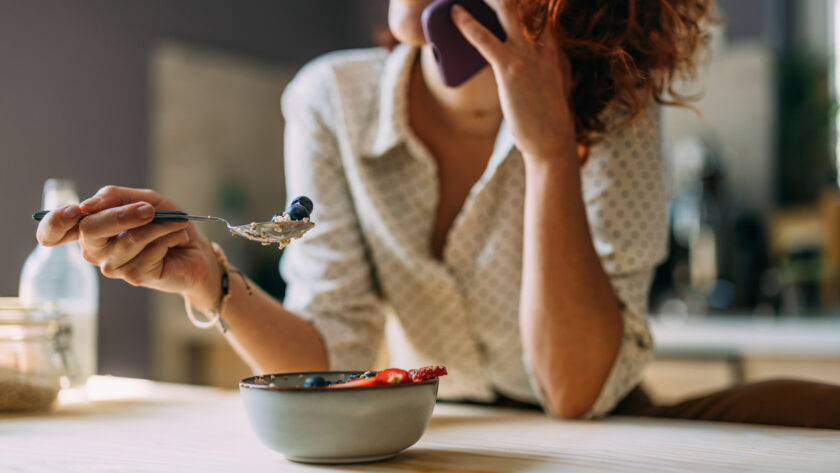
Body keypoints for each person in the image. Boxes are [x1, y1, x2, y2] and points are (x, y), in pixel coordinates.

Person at [36, 0, 840, 427]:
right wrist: (207, 278)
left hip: (600, 427)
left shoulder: (613, 114)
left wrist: (551, 152)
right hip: (445, 434)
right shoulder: (332, 102)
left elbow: (572, 392)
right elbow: (336, 357)